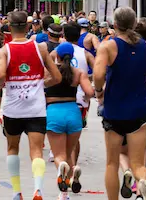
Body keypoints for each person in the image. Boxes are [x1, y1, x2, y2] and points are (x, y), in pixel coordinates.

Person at [95, 7, 146, 200]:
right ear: (134, 24)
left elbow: (98, 75)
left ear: (115, 24)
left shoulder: (109, 46)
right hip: (139, 111)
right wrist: (143, 85)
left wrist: (99, 91)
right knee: (138, 163)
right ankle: (142, 184)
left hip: (114, 111)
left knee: (112, 163)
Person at [0, 10, 62, 200]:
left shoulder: (5, 50)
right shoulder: (40, 48)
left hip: (13, 109)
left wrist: (3, 84)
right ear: (27, 27)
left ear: (9, 27)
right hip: (36, 107)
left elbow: (0, 76)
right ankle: (38, 189)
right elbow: (56, 77)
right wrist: (39, 83)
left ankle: (17, 192)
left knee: (12, 148)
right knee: (36, 150)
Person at [46, 42, 93, 199]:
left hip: (53, 112)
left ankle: (63, 179)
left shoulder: (49, 72)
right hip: (73, 113)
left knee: (59, 156)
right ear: (72, 56)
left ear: (57, 56)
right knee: (69, 152)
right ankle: (71, 178)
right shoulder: (78, 73)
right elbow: (90, 91)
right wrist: (86, 98)